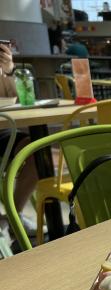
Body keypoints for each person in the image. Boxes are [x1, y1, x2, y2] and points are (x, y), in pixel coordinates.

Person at [0, 43, 39, 235]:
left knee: (37, 151)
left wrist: (8, 71)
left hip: (3, 132)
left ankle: (13, 217)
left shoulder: (3, 69)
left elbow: (21, 99)